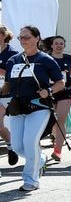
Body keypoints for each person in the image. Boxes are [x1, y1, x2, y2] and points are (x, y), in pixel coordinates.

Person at [1, 26, 65, 192]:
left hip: (39, 106)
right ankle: (40, 158)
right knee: (17, 146)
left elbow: (60, 83)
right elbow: (7, 84)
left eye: (27, 37)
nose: (23, 41)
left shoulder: (46, 60)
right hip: (17, 108)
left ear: (37, 38)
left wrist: (48, 91)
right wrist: (2, 91)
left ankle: (31, 180)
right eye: (21, 38)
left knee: (30, 142)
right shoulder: (13, 60)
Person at [42, 35, 71, 163]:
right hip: (50, 91)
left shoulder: (69, 58)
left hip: (65, 91)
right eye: (56, 43)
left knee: (61, 120)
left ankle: (57, 150)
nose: (59, 46)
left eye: (61, 43)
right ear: (52, 45)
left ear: (64, 45)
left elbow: (70, 70)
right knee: (52, 121)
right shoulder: (45, 58)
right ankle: (55, 136)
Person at [0, 24, 16, 165]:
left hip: (6, 94)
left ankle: (13, 146)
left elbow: (13, 75)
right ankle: (11, 146)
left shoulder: (12, 54)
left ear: (4, 35)